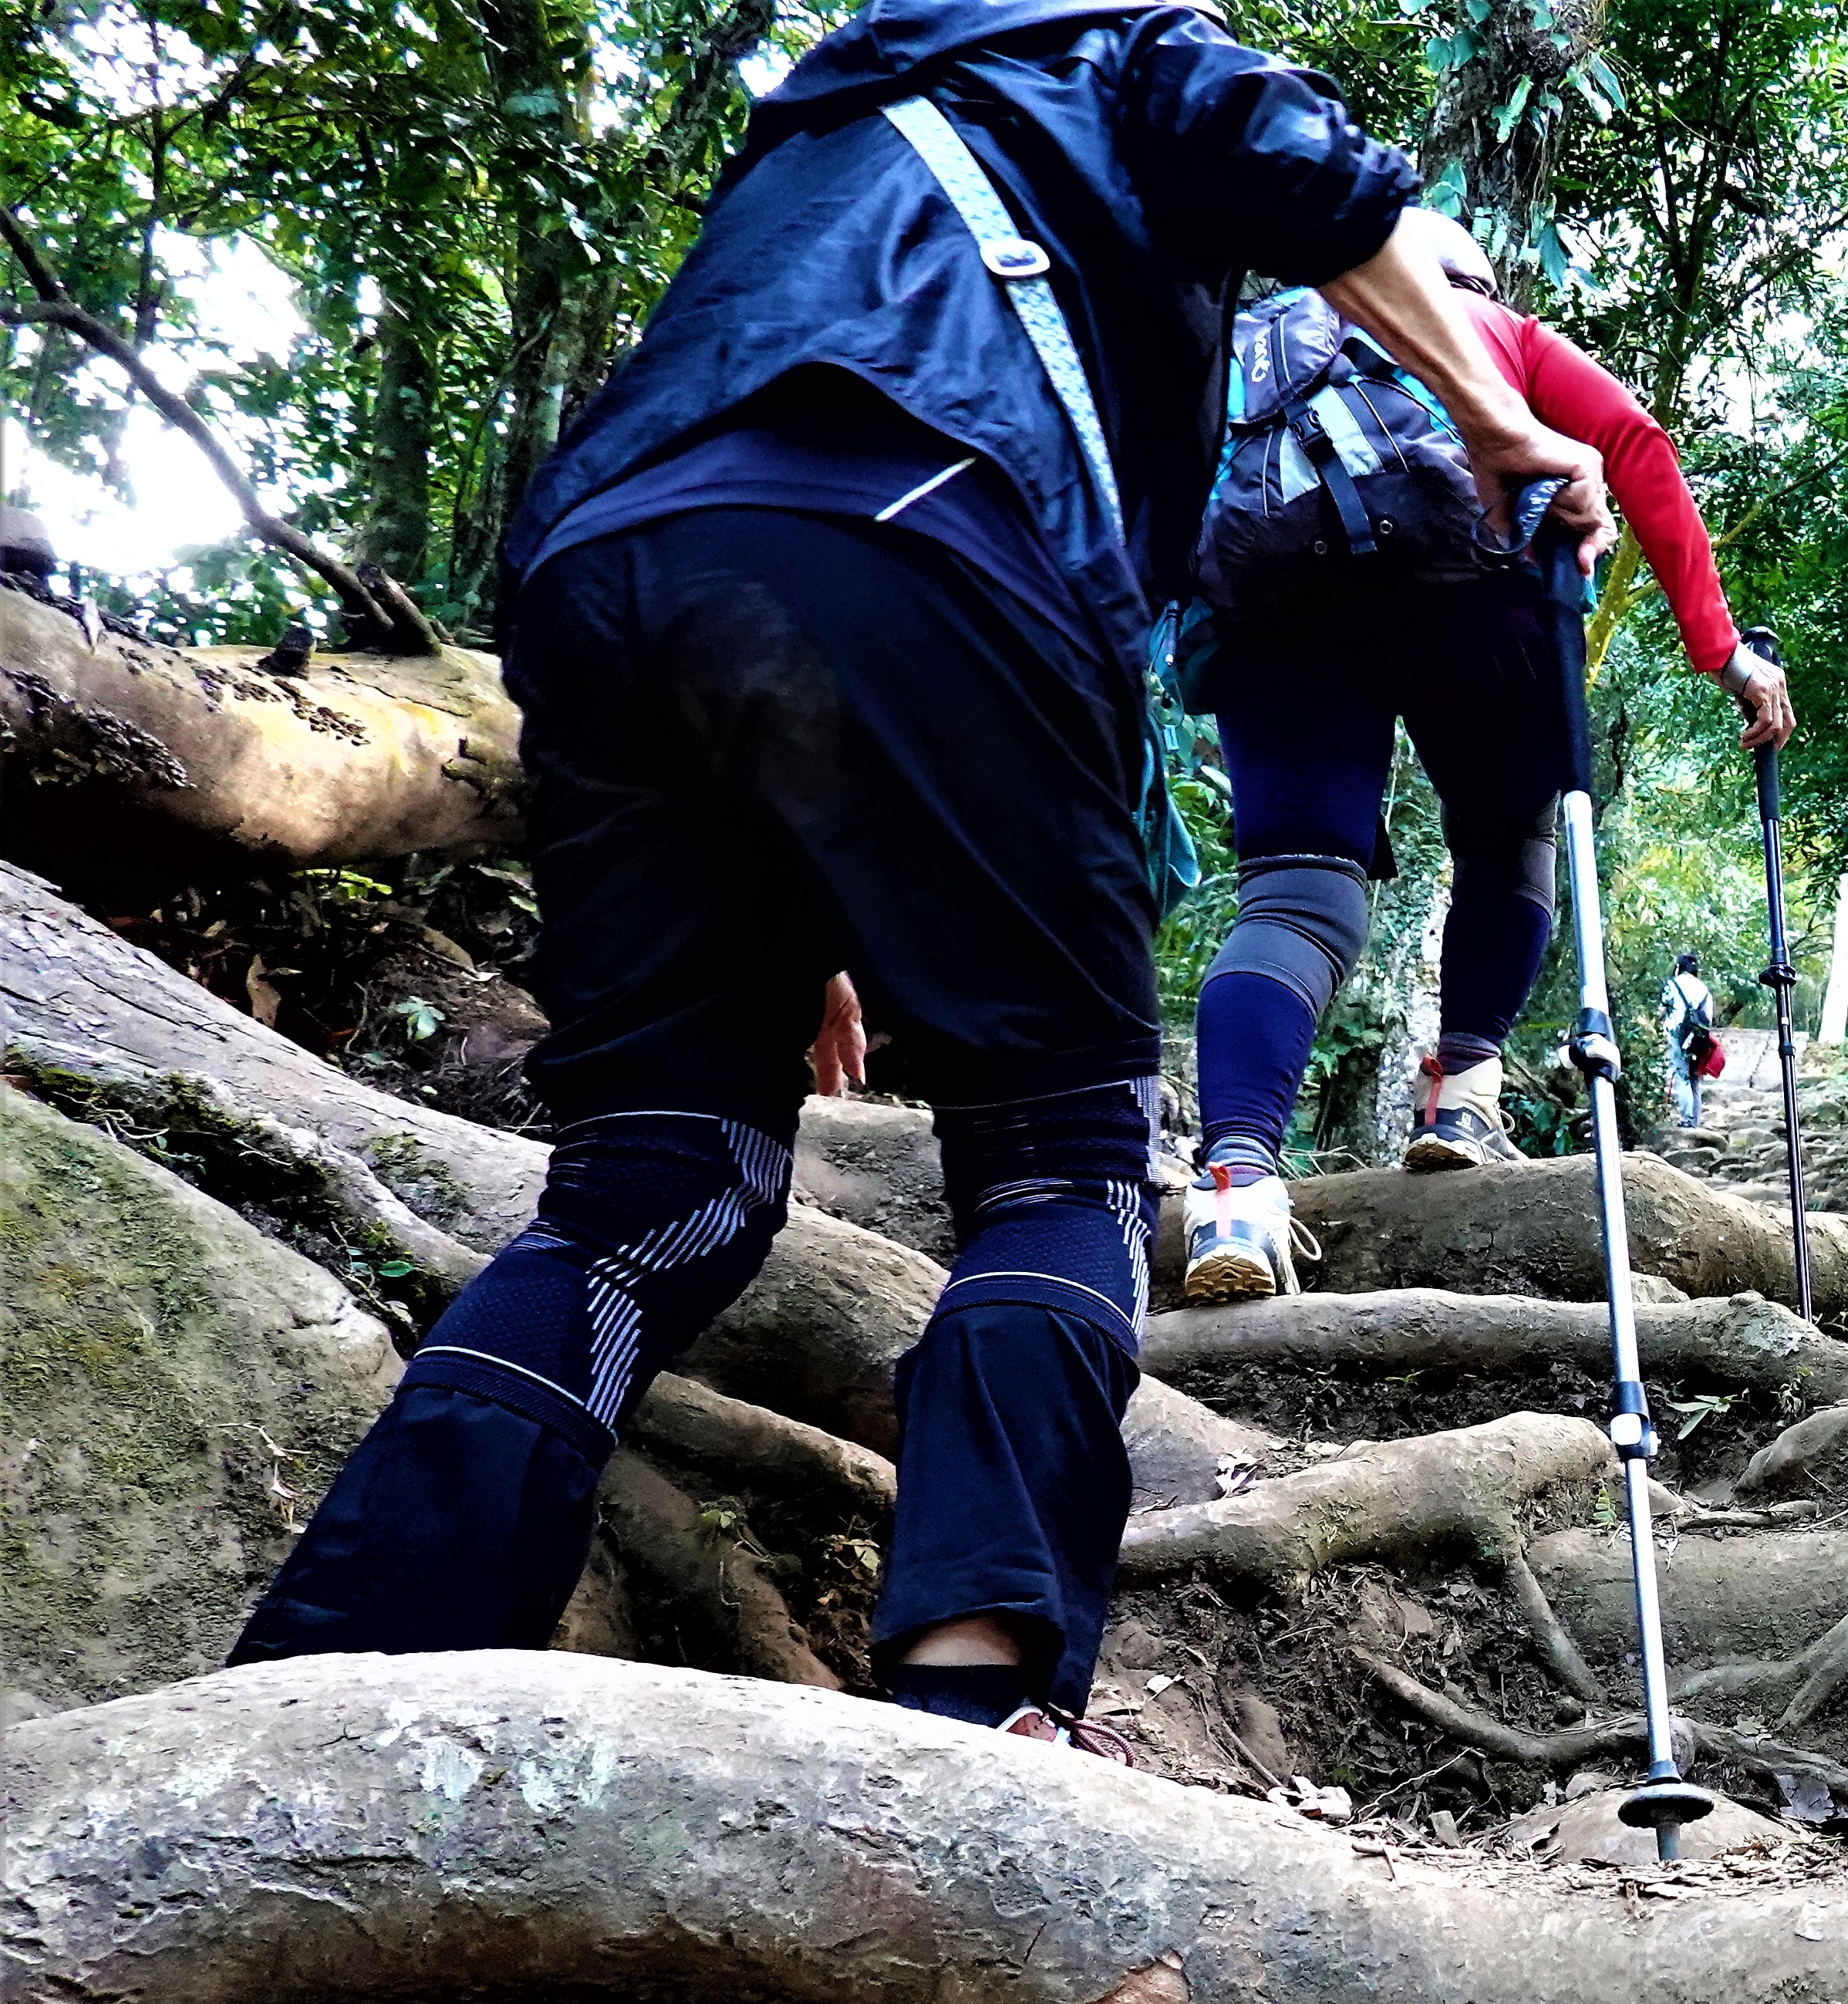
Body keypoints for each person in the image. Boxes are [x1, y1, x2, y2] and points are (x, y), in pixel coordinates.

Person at [228, 0, 1608, 1753]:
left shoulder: (814, 126)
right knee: (1057, 1164)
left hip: (602, 580)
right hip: (935, 533)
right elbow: (1329, 189)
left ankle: (335, 1688)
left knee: (649, 1192)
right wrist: (1496, 419)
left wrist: (801, 903)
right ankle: (973, 1714)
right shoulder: (1122, 48)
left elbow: (754, 498)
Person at [1176, 212, 1794, 1304]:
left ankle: (1234, 1187)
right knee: (1511, 847)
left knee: (1296, 901)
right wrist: (1725, 652)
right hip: (1477, 603)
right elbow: (1636, 444)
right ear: (1467, 277)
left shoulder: (1258, 344)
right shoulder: (1488, 329)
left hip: (1275, 616)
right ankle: (1463, 1094)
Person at [1660, 950, 1722, 1127]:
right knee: (1694, 1077)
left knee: (1682, 1075)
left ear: (1678, 967)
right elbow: (1708, 1017)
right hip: (1698, 1037)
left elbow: (1662, 1010)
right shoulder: (1704, 989)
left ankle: (1686, 1119)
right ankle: (1695, 1120)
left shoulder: (1672, 984)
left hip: (1676, 1035)